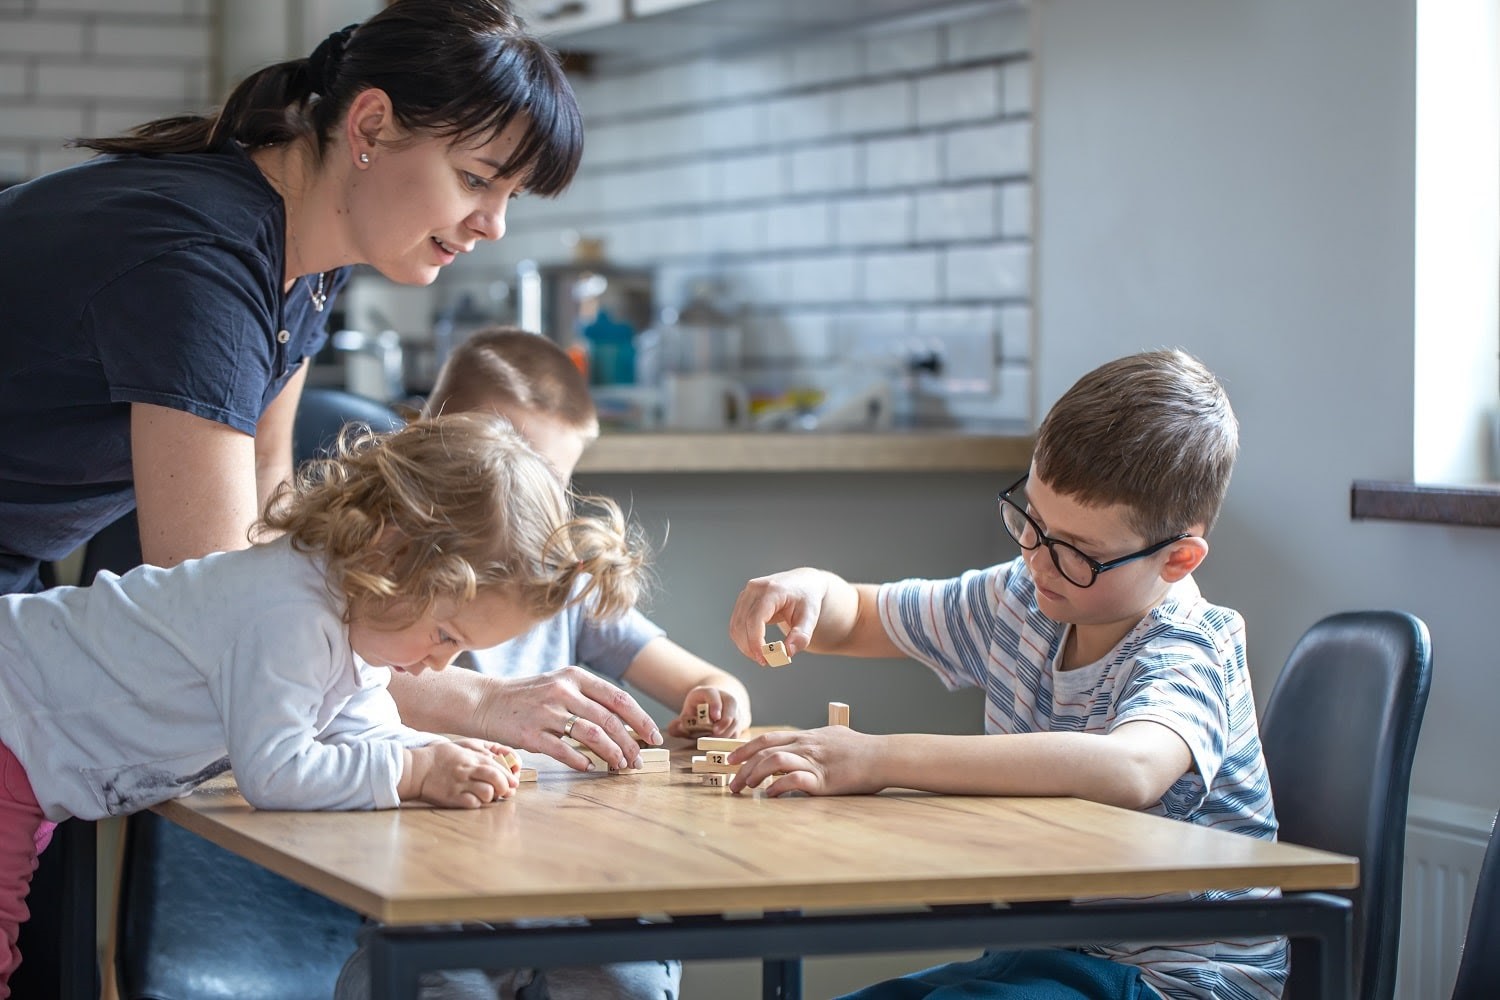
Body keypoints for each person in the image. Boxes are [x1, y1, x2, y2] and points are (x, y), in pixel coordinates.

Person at [0, 1, 656, 988]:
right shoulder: (201, 265)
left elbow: (275, 536)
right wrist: (463, 703)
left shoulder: (299, 269)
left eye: (513, 194)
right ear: (369, 126)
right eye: (477, 179)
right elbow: (227, 587)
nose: (494, 223)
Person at [0, 412, 650, 995]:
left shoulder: (354, 622)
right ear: (390, 552)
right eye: (446, 635)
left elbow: (363, 730)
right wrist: (417, 772)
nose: (439, 664)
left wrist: (435, 753)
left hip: (36, 754)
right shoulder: (288, 611)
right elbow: (275, 773)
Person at [725, 349, 1283, 1000]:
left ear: (1178, 559)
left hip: (1175, 982)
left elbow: (1128, 769)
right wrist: (813, 591)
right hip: (1041, 955)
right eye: (1033, 521)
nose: (1039, 561)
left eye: (1078, 552)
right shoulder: (1022, 599)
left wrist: (878, 758)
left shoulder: (1191, 647)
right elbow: (868, 617)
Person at [335, 327, 752, 1000]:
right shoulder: (376, 589)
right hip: (435, 901)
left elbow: (704, 682)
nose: (522, 491)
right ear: (431, 440)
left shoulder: (564, 590)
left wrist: (715, 701)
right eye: (508, 457)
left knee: (633, 985)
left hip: (578, 893)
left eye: (550, 479)